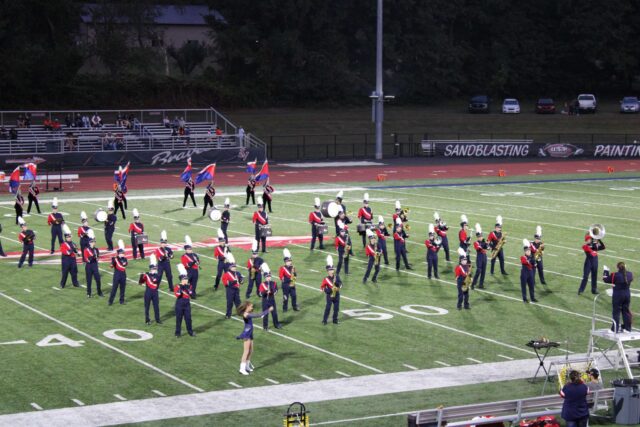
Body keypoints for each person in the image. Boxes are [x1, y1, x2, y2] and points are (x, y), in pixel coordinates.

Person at [236, 301, 272, 375]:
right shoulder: (246, 314)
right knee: (246, 351)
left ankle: (247, 366)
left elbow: (258, 315)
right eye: (251, 306)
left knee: (251, 351)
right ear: (247, 306)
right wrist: (268, 310)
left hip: (250, 333)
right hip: (247, 334)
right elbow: (258, 315)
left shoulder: (248, 314)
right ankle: (242, 369)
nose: (252, 308)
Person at [603, 262, 633, 333]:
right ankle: (627, 328)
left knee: (616, 312)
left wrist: (606, 271)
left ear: (618, 268)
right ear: (625, 267)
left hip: (618, 295)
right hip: (627, 294)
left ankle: (614, 329)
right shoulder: (630, 274)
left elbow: (606, 280)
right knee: (625, 311)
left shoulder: (615, 275)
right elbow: (628, 279)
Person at [579, 230, 605, 295]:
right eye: (587, 239)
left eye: (589, 239)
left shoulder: (594, 245)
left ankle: (594, 290)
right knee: (585, 276)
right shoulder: (585, 246)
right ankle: (581, 290)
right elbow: (590, 250)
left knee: (594, 276)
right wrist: (594, 243)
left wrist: (599, 240)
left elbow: (603, 247)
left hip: (595, 262)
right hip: (588, 262)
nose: (588, 240)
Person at [139, 254, 162, 325]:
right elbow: (140, 282)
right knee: (147, 307)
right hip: (148, 292)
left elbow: (155, 281)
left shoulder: (157, 275)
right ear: (151, 269)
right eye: (154, 269)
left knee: (156, 306)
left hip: (155, 292)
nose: (155, 270)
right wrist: (141, 276)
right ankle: (147, 320)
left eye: (155, 269)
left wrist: (147, 275)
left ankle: (158, 319)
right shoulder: (147, 275)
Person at [258, 264, 281, 330]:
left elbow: (276, 291)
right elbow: (260, 293)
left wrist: (271, 292)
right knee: (265, 314)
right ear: (265, 278)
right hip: (265, 301)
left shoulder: (274, 283)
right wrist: (265, 292)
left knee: (274, 313)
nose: (269, 278)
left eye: (269, 276)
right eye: (267, 277)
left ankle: (276, 324)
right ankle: (265, 326)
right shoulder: (262, 284)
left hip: (272, 300)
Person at [174, 264, 195, 337]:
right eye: (184, 279)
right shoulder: (177, 286)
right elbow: (178, 295)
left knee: (188, 319)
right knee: (179, 319)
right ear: (181, 280)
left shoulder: (189, 286)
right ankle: (177, 333)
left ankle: (190, 332)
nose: (186, 280)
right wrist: (181, 287)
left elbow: (192, 295)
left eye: (186, 279)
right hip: (179, 304)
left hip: (187, 304)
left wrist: (187, 288)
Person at [321, 255, 342, 325]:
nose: (332, 271)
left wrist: (338, 286)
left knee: (336, 308)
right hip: (329, 295)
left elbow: (341, 284)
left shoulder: (337, 277)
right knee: (328, 308)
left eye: (332, 269)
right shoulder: (326, 279)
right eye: (330, 270)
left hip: (336, 295)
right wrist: (328, 290)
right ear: (328, 271)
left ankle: (335, 320)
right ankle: (324, 320)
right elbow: (322, 287)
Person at [222, 252, 244, 319]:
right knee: (230, 303)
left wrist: (241, 280)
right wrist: (233, 282)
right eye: (233, 267)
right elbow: (226, 283)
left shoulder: (237, 273)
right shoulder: (226, 274)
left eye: (235, 267)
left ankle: (240, 312)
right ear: (230, 268)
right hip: (230, 290)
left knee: (238, 302)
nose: (234, 268)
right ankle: (228, 314)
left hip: (236, 289)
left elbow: (241, 278)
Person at [83, 230, 102, 298]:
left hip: (95, 265)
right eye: (93, 242)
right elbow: (86, 259)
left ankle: (99, 292)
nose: (94, 243)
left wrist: (96, 258)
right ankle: (89, 293)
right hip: (89, 266)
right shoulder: (86, 249)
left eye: (94, 242)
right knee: (89, 280)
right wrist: (92, 257)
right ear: (90, 243)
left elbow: (97, 257)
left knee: (98, 279)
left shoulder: (96, 250)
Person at [108, 240, 128, 305]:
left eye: (123, 253)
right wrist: (112, 263)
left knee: (123, 289)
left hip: (123, 275)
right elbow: (111, 266)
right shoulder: (115, 259)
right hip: (117, 275)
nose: (123, 254)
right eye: (121, 253)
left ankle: (121, 301)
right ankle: (110, 301)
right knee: (114, 288)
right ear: (119, 253)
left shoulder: (124, 259)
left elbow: (125, 264)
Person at [471, 224, 488, 289]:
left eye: (481, 236)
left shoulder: (484, 242)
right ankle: (473, 283)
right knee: (478, 271)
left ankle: (481, 284)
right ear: (477, 237)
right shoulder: (476, 242)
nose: (481, 238)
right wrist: (484, 244)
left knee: (483, 271)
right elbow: (479, 248)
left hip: (484, 257)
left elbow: (488, 248)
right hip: (479, 258)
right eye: (479, 237)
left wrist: (487, 244)